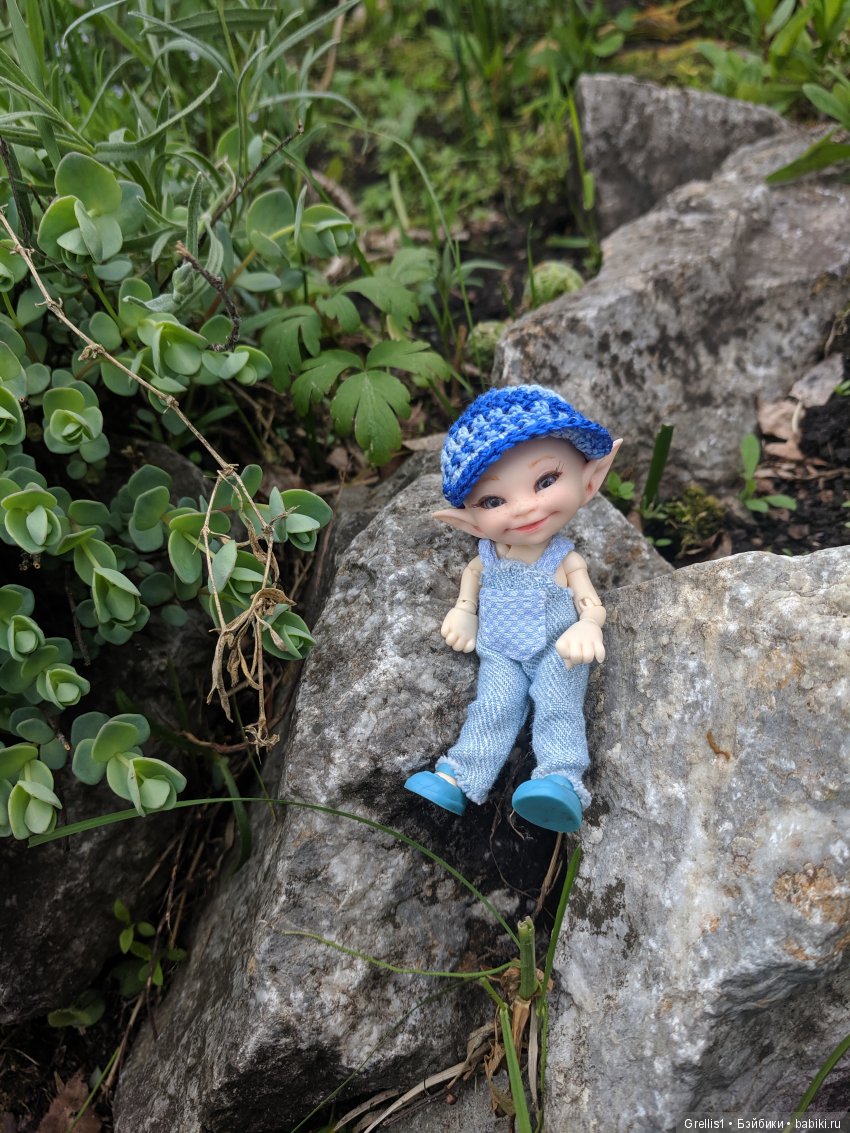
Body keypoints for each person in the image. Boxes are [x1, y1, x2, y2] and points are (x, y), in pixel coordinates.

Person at [405, 385, 621, 833]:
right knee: (493, 707)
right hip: (501, 653)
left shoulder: (564, 559)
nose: (524, 509)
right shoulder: (486, 557)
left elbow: (589, 603)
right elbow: (472, 582)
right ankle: (460, 775)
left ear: (590, 480)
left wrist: (588, 625)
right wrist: (465, 612)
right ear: (469, 522)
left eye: (546, 481)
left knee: (559, 705)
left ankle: (560, 779)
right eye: (493, 501)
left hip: (557, 651)